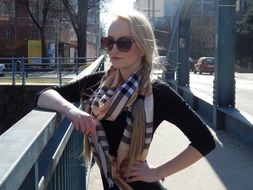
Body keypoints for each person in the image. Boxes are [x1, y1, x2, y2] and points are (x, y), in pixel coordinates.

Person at [36, 11, 215, 190]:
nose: (113, 49)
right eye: (109, 42)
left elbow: (205, 141)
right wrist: (71, 110)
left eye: (124, 43)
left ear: (143, 47)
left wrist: (157, 172)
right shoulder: (99, 83)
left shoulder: (157, 92)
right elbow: (43, 95)